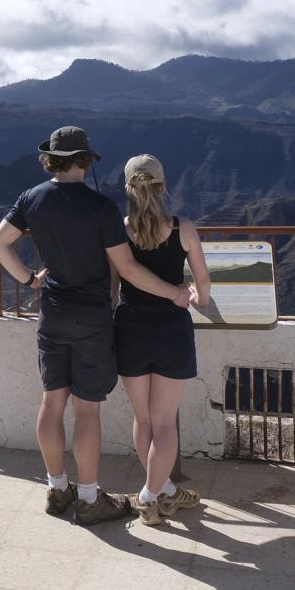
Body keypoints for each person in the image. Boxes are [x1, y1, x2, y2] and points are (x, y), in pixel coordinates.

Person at [0, 127, 195, 526]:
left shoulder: (30, 199)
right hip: (93, 318)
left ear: (51, 159)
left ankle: (56, 487)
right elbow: (129, 268)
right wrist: (173, 293)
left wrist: (31, 280)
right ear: (86, 160)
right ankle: (88, 498)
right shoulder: (100, 208)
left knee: (51, 403)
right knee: (86, 409)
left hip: (52, 311)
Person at [112, 153, 210, 526]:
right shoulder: (182, 227)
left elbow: (116, 282)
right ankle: (150, 495)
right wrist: (194, 298)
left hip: (130, 327)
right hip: (171, 328)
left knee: (144, 420)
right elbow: (202, 283)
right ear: (163, 185)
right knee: (165, 423)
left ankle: (163, 489)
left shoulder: (119, 231)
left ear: (128, 189)